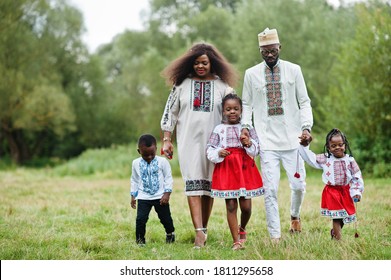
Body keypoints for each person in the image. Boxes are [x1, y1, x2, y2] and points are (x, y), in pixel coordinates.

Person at [160, 42, 238, 248]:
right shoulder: (181, 85)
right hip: (188, 142)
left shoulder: (224, 87)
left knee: (208, 188)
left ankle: (204, 228)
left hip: (215, 145)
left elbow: (235, 113)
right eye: (196, 63)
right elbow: (170, 113)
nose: (200, 66)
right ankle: (198, 232)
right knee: (193, 185)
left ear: (212, 63)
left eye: (204, 62)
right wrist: (167, 139)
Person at [241, 27, 313, 242]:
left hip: (293, 140)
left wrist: (306, 127)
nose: (269, 55)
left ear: (279, 47)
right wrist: (245, 125)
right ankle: (275, 236)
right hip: (266, 141)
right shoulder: (251, 73)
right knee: (270, 189)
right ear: (260, 51)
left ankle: (295, 215)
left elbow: (304, 102)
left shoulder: (294, 70)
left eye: (273, 50)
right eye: (265, 51)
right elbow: (247, 103)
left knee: (299, 186)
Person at [206, 93, 264, 250]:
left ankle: (242, 227)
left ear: (241, 111)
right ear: (223, 111)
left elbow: (257, 148)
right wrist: (219, 152)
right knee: (231, 205)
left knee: (246, 207)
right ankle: (236, 241)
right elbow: (210, 149)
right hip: (227, 169)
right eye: (228, 109)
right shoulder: (219, 129)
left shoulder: (247, 128)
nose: (232, 112)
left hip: (244, 168)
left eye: (236, 109)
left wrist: (248, 143)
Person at [299, 128, 364, 240]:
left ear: (345, 145)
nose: (337, 147)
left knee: (344, 216)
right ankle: (338, 241)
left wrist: (356, 191)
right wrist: (304, 146)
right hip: (332, 191)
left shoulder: (350, 160)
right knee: (337, 217)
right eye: (333, 146)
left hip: (345, 191)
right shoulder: (326, 159)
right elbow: (310, 158)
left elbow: (357, 175)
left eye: (340, 144)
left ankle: (334, 232)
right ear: (328, 147)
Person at [130, 134, 175, 246]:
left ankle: (170, 233)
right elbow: (134, 180)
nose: (149, 157)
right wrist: (133, 195)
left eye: (152, 154)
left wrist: (167, 194)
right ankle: (140, 241)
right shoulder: (136, 163)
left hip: (160, 197)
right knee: (140, 219)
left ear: (156, 148)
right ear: (139, 151)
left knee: (165, 219)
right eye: (146, 155)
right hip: (143, 196)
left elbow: (168, 177)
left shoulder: (162, 162)